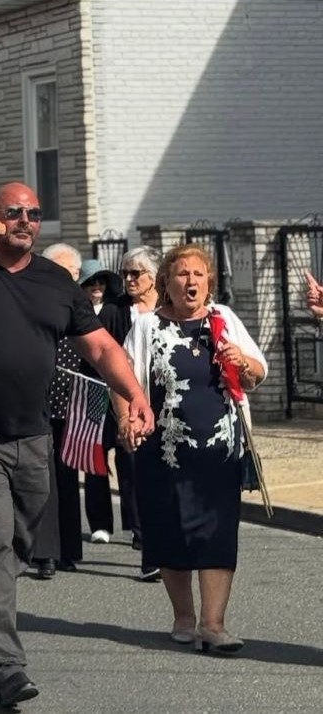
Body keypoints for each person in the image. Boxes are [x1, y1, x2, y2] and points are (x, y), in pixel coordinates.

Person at [0, 182, 154, 708]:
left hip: (33, 437)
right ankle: (7, 666)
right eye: (13, 212)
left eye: (34, 214)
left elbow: (101, 347)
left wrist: (134, 394)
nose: (25, 221)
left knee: (12, 548)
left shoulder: (54, 282)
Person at [116, 244, 266, 654]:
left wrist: (242, 361)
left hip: (219, 451)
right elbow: (124, 379)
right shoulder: (147, 326)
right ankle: (183, 617)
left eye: (198, 274)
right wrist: (127, 419)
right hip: (163, 451)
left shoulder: (223, 319)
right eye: (182, 274)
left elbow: (257, 373)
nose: (191, 281)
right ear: (166, 282)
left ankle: (213, 625)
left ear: (209, 282)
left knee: (218, 533)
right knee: (170, 530)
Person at [84, 246, 162, 581]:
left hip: (166, 404)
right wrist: (123, 410)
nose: (128, 279)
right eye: (125, 273)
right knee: (134, 471)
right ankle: (146, 544)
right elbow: (102, 357)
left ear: (154, 277)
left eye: (136, 273)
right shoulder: (114, 311)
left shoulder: (168, 308)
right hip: (126, 403)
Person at [31, 244, 87, 579]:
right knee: (43, 479)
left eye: (71, 273)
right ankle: (45, 553)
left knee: (67, 478)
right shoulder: (34, 299)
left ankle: (68, 548)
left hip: (73, 405)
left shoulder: (80, 304)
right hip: (37, 403)